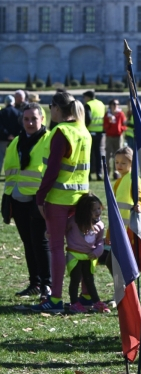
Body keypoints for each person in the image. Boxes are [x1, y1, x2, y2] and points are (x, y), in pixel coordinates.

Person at [32, 92, 92, 313]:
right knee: (81, 248)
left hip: (59, 198)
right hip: (81, 198)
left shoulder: (61, 132)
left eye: (50, 107)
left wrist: (41, 196)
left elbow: (53, 169)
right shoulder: (84, 131)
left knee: (57, 247)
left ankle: (55, 299)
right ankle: (87, 295)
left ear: (57, 108)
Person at [4, 103, 51, 299]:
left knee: (40, 242)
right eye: (26, 119)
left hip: (39, 198)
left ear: (42, 119)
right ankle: (35, 283)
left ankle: (47, 284)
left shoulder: (49, 140)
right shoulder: (17, 141)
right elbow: (11, 171)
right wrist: (7, 198)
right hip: (18, 198)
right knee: (27, 242)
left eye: (34, 118)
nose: (30, 122)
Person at [65, 193, 110, 314]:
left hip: (89, 256)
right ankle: (74, 303)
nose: (97, 211)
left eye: (98, 208)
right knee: (75, 280)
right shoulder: (73, 221)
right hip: (74, 255)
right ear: (85, 210)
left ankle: (96, 302)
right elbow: (62, 230)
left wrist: (97, 251)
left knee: (89, 280)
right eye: (93, 209)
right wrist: (50, 233)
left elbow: (100, 241)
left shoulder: (100, 225)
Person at [83, 90, 105, 181]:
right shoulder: (101, 104)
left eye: (84, 97)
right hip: (100, 132)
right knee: (98, 153)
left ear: (88, 97)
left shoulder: (88, 105)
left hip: (90, 132)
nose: (84, 100)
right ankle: (99, 173)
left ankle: (89, 175)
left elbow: (88, 118)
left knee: (89, 154)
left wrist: (84, 126)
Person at [103, 99, 126, 179]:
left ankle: (116, 172)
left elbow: (125, 124)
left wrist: (120, 129)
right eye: (114, 104)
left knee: (118, 155)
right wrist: (109, 122)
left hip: (118, 137)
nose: (115, 105)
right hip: (109, 137)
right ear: (110, 105)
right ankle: (107, 173)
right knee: (108, 155)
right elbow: (105, 126)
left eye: (117, 104)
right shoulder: (107, 114)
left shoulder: (121, 114)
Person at [0, 95, 21, 175]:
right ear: (13, 103)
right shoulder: (18, 113)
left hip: (2, 138)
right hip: (15, 139)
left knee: (0, 157)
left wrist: (7, 134)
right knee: (13, 157)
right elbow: (20, 127)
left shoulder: (1, 112)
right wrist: (14, 135)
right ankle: (13, 173)